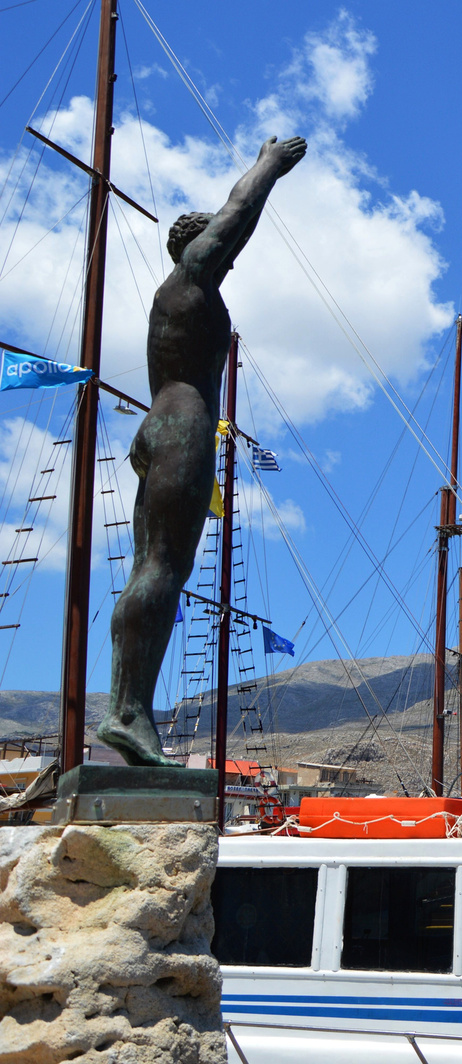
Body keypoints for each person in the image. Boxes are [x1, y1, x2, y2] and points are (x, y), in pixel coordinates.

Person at [99, 136, 306, 767]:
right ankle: (129, 712)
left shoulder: (180, 296)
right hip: (182, 423)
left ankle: (126, 707)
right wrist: (270, 165)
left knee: (152, 568)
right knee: (162, 568)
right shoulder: (190, 278)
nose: (230, 261)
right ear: (197, 246)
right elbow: (236, 215)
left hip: (163, 424)